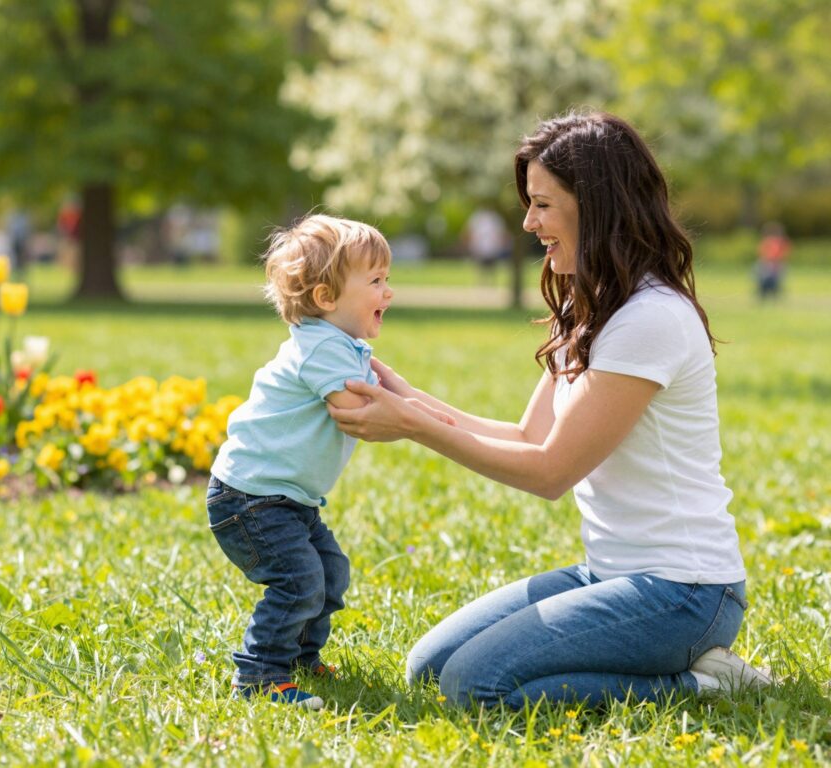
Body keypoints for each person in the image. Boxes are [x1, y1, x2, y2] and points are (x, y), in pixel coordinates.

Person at [328, 111, 771, 709]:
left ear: (597, 205)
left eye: (543, 204)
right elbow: (524, 434)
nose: (528, 222)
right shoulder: (590, 309)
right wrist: (404, 394)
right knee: (428, 669)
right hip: (609, 574)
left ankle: (700, 681)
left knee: (472, 687)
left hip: (683, 592)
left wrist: (412, 426)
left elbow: (549, 471)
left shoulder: (650, 319)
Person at [208, 214, 405, 710]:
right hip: (252, 499)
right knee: (300, 581)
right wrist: (410, 415)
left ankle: (299, 656)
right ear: (325, 299)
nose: (389, 293)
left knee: (330, 574)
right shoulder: (321, 350)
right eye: (377, 282)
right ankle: (259, 674)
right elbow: (353, 410)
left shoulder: (342, 346)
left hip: (285, 498)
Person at [756, 221, 790, 300]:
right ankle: (764, 296)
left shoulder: (781, 242)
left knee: (775, 281)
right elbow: (762, 252)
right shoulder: (767, 241)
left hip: (775, 263)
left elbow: (783, 253)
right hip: (768, 263)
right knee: (765, 280)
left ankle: (773, 296)